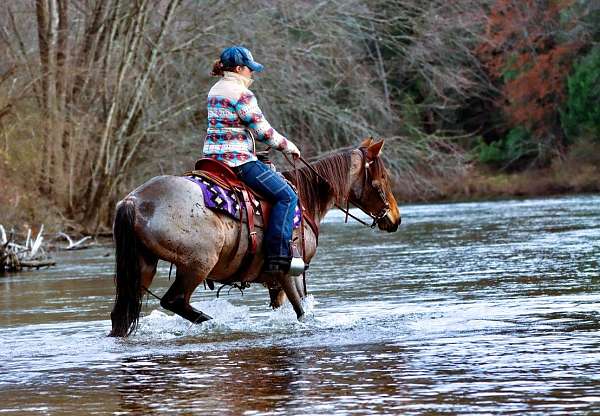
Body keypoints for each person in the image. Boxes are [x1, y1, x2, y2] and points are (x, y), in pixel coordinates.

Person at [203, 45, 300, 275]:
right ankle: (277, 257)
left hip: (211, 160)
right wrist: (289, 147)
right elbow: (263, 132)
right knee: (287, 196)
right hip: (238, 161)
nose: (252, 73)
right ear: (239, 69)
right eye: (250, 69)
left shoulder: (214, 90)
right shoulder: (241, 93)